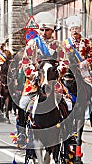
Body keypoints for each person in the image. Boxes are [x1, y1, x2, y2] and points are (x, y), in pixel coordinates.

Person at [16, 12, 67, 146]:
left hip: (53, 82)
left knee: (68, 104)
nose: (44, 33)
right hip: (34, 83)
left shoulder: (58, 45)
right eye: (42, 30)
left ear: (52, 31)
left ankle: (68, 132)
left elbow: (64, 62)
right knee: (23, 104)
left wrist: (57, 72)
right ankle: (21, 132)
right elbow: (25, 62)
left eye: (47, 30)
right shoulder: (33, 43)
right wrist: (34, 74)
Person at [63, 15, 92, 127]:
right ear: (69, 30)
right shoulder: (64, 43)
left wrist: (86, 62)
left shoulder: (87, 42)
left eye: (77, 28)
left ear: (80, 29)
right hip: (69, 72)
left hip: (83, 72)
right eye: (73, 29)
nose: (75, 31)